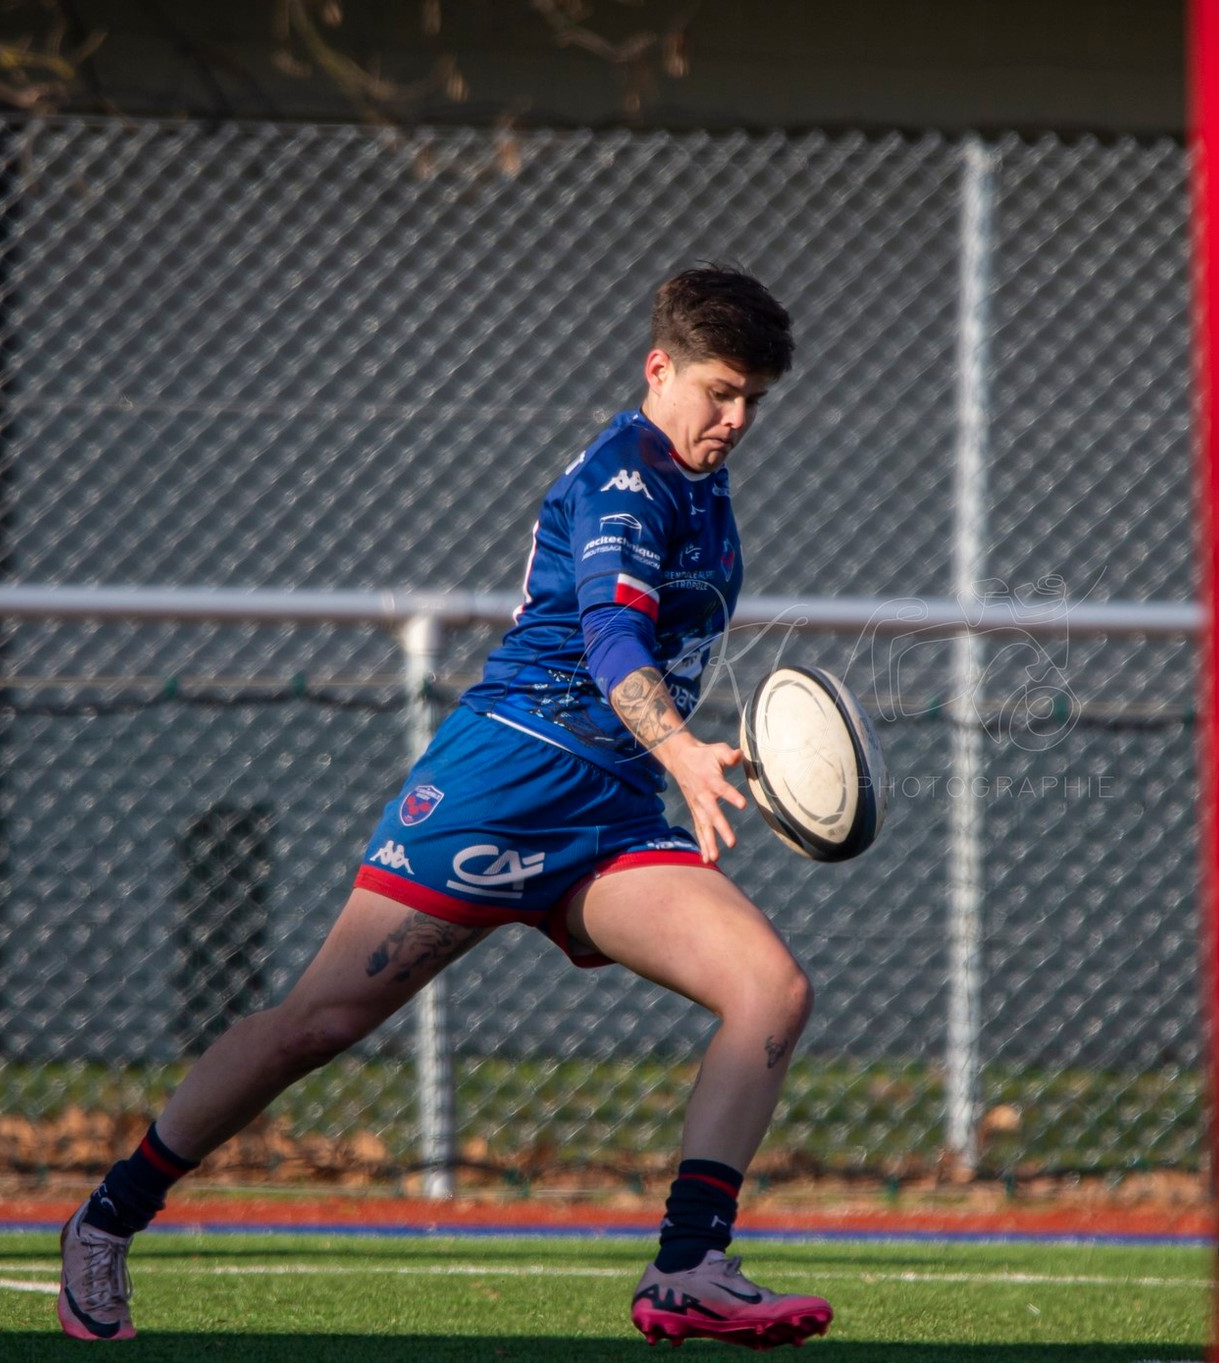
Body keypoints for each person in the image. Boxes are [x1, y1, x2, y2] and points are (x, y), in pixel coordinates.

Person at [57, 266, 832, 1350]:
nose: (735, 418)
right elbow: (612, 640)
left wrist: (691, 756)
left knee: (770, 989)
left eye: (752, 399)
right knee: (317, 1024)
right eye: (718, 390)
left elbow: (647, 653)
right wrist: (678, 748)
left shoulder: (701, 483)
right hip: (500, 788)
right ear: (658, 368)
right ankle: (106, 1219)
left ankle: (687, 1264)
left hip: (609, 809)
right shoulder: (626, 481)